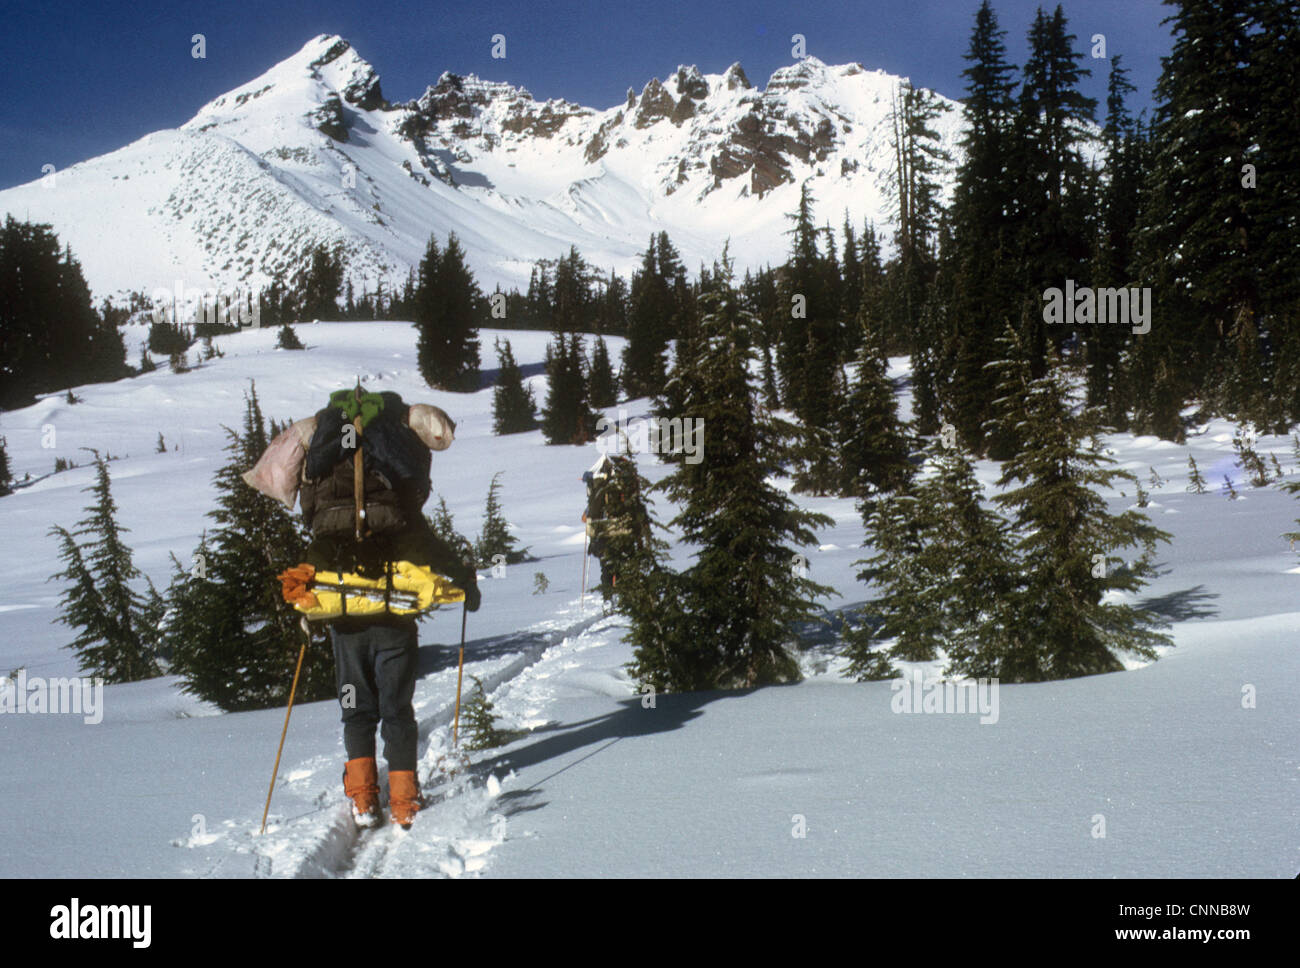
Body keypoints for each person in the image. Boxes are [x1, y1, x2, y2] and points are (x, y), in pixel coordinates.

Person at [271, 386, 480, 829]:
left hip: (344, 621)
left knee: (356, 708)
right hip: (393, 620)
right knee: (397, 710)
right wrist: (464, 580)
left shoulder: (327, 505)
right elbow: (425, 545)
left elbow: (317, 553)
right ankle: (404, 799)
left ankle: (363, 799)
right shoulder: (398, 505)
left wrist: (309, 605)